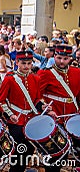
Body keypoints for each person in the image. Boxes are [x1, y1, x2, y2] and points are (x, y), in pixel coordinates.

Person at [0, 51, 54, 172]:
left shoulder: (36, 78)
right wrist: (10, 114)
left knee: (29, 150)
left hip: (31, 119)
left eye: (29, 63)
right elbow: (1, 101)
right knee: (18, 150)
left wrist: (43, 106)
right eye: (23, 63)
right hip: (16, 120)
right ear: (16, 62)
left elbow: (37, 99)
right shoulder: (10, 79)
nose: (26, 66)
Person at [38, 44, 80, 172]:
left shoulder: (77, 72)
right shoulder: (45, 73)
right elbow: (36, 96)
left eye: (65, 58)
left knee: (71, 152)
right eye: (59, 57)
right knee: (55, 154)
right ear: (54, 56)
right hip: (55, 119)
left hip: (72, 118)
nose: (62, 61)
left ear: (70, 59)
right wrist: (47, 109)